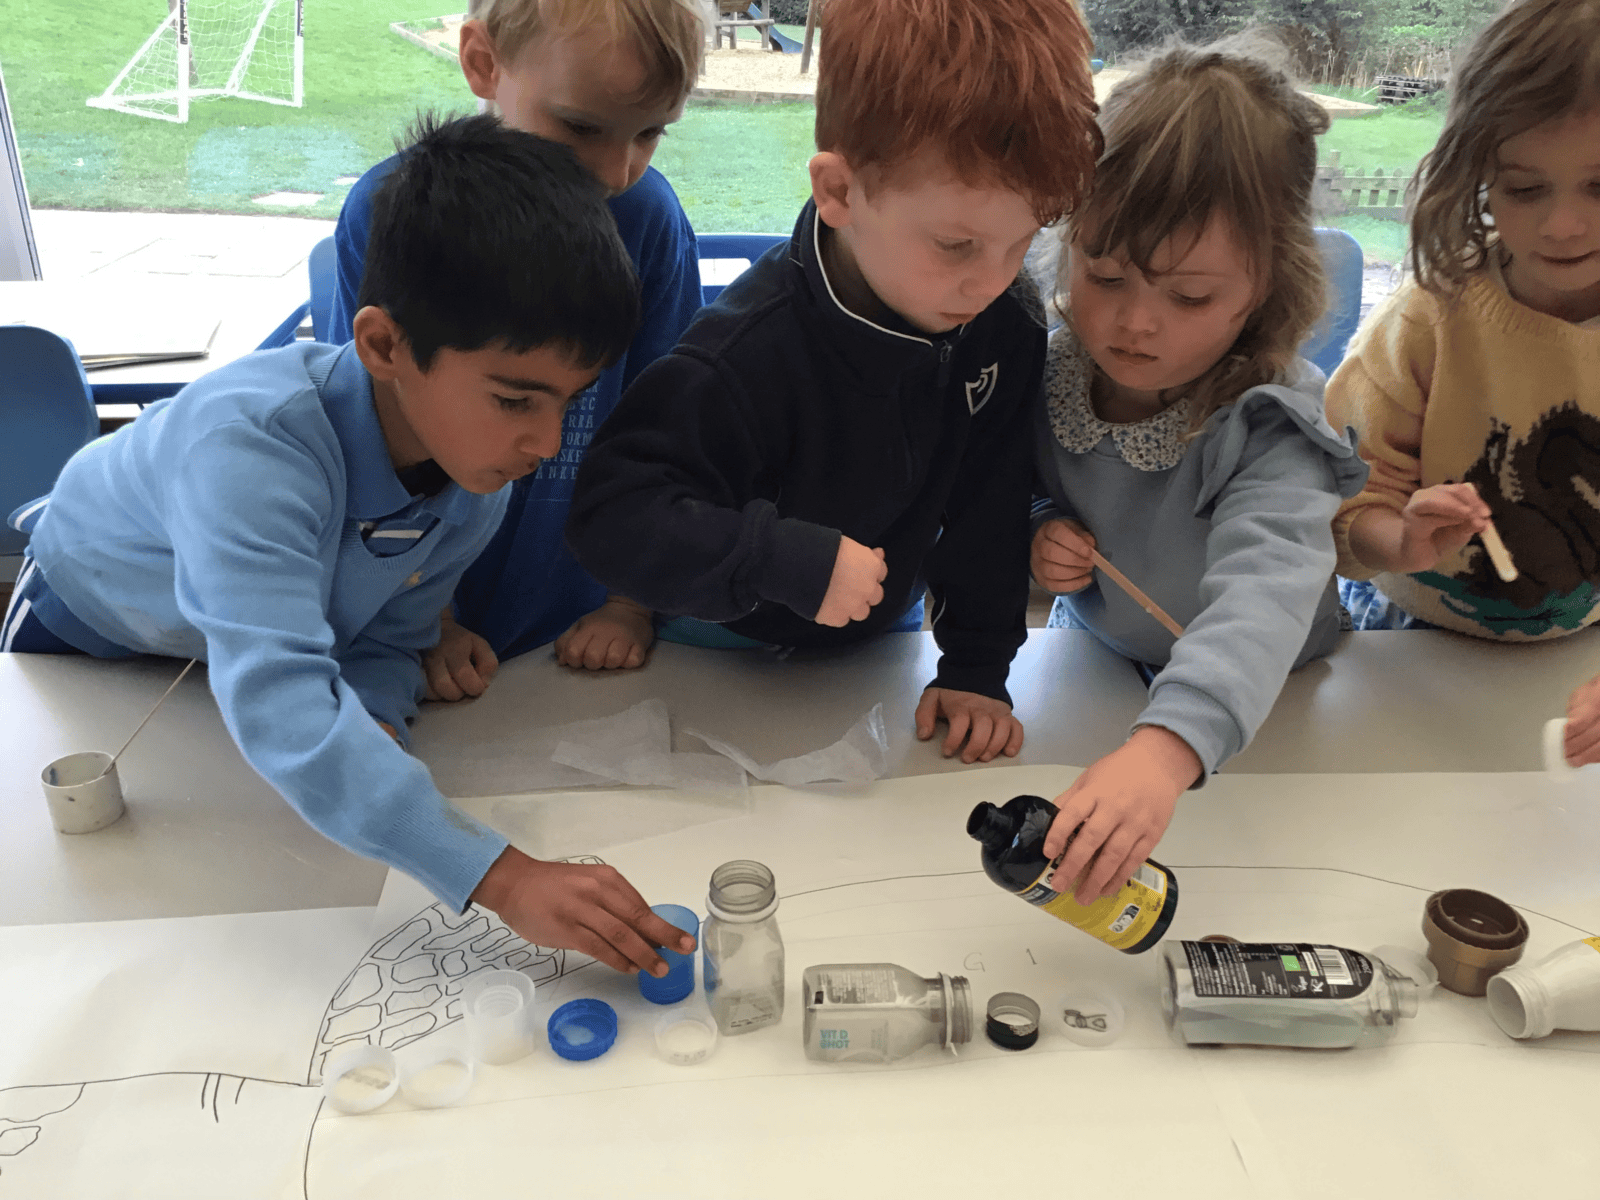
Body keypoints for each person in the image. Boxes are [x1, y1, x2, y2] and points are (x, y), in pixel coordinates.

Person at [2, 115, 693, 979]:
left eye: (568, 403)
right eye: (517, 400)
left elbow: (382, 636)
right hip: (82, 625)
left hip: (216, 642)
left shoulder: (470, 480)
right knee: (65, 887)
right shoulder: (251, 449)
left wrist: (373, 718)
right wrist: (503, 877)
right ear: (382, 345)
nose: (547, 445)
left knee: (196, 864)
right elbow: (281, 702)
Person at [565, 0, 1101, 764]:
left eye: (1024, 241)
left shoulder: (1001, 327)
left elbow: (989, 502)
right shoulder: (746, 349)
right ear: (839, 193)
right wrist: (782, 560)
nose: (992, 280)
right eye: (957, 245)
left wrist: (978, 670)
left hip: (876, 652)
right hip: (710, 648)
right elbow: (609, 514)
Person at [1029, 45, 1368, 902]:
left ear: (1265, 289)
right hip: (1102, 670)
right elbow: (1017, 487)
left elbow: (1263, 597)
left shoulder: (1268, 416)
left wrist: (1168, 746)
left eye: (1188, 298)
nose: (1134, 324)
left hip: (1270, 701)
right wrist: (1035, 528)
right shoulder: (1052, 371)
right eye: (1103, 274)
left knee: (1276, 881)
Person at [328, 0, 707, 694]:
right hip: (415, 616)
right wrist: (428, 621)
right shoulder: (387, 209)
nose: (618, 169)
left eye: (651, 132)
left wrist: (630, 601)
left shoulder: (648, 217)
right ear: (483, 63)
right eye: (582, 126)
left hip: (582, 619)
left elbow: (669, 423)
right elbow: (365, 432)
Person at [1326, 0, 1600, 765]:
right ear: (1478, 171)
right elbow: (1343, 498)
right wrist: (1401, 537)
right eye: (1524, 188)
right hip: (1408, 643)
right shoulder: (1430, 318)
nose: (1563, 227)